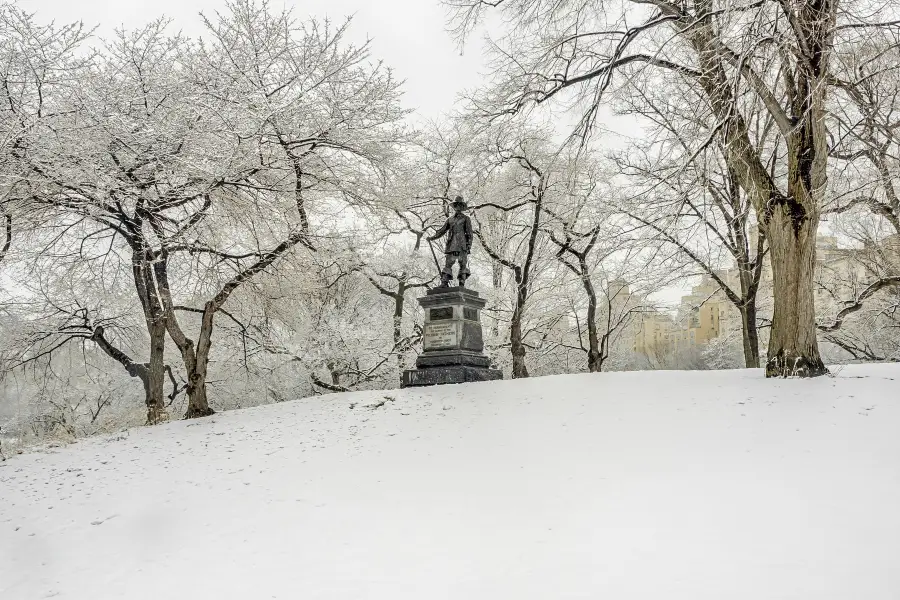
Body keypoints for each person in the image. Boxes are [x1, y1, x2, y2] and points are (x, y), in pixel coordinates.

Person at [428, 196, 473, 287]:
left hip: (462, 245)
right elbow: (442, 230)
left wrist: (468, 245)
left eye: (460, 205)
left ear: (462, 207)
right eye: (456, 205)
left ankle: (462, 283)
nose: (458, 207)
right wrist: (432, 237)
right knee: (448, 263)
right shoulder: (450, 219)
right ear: (454, 206)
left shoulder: (466, 219)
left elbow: (469, 233)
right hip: (451, 244)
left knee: (463, 264)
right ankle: (444, 282)